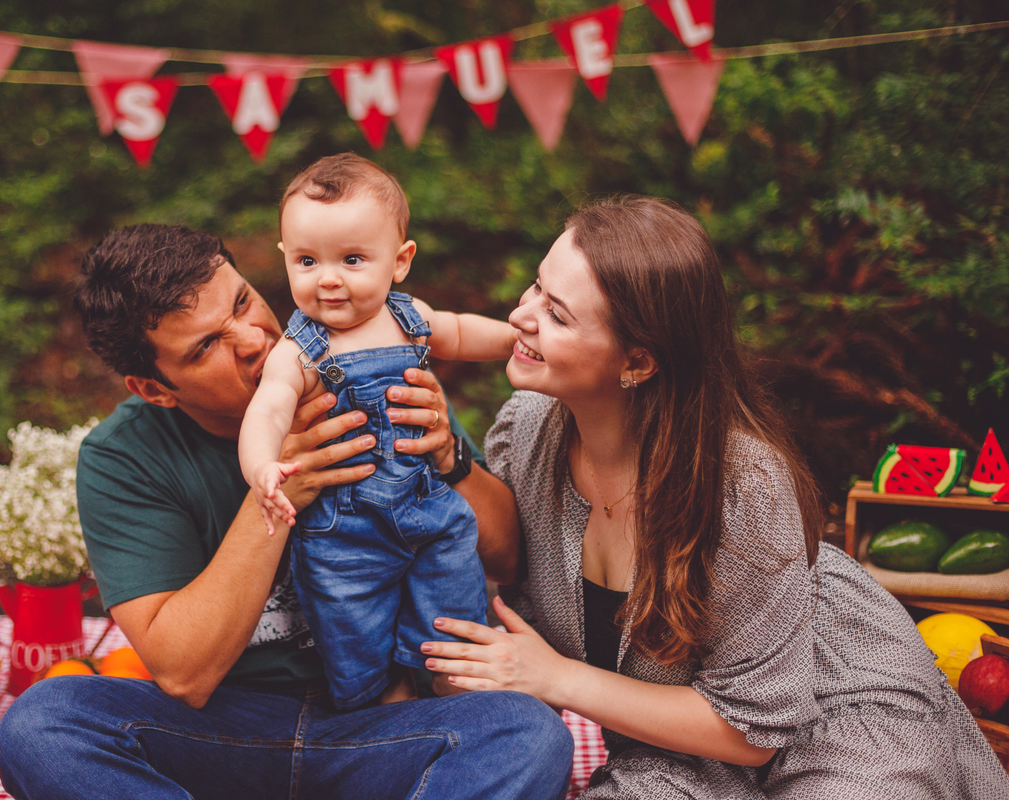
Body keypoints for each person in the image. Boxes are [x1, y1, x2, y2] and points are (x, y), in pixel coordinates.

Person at [422, 195, 1009, 799]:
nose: (522, 316)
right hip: (667, 737)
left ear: (638, 361)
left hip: (824, 708)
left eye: (559, 315)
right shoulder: (528, 428)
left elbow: (754, 728)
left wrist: (558, 679)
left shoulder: (744, 487)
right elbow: (508, 558)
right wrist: (449, 459)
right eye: (536, 288)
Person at [0, 222, 574, 799]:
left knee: (530, 736)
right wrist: (277, 491)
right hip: (222, 733)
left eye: (243, 302)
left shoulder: (365, 365)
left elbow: (508, 561)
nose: (252, 339)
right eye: (205, 347)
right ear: (155, 389)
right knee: (44, 724)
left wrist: (449, 460)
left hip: (388, 727)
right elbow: (184, 675)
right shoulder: (124, 456)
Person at [239, 154, 515, 709]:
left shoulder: (409, 317)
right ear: (285, 259)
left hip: (430, 511)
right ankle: (380, 707)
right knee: (354, 643)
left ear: (400, 260)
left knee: (453, 622)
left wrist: (519, 340)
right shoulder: (297, 352)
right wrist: (263, 467)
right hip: (345, 536)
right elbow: (267, 411)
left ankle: (448, 687)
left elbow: (461, 334)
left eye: (354, 259)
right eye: (308, 260)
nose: (329, 278)